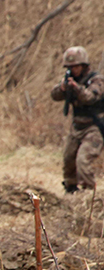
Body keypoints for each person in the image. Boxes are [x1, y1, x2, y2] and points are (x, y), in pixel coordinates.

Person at [52, 46, 104, 193]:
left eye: (75, 67)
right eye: (70, 67)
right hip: (77, 126)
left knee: (83, 160)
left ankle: (89, 194)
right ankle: (71, 188)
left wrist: (77, 88)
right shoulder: (69, 80)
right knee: (69, 158)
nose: (73, 70)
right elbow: (54, 95)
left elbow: (90, 97)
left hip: (94, 127)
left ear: (83, 65)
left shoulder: (96, 80)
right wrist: (62, 88)